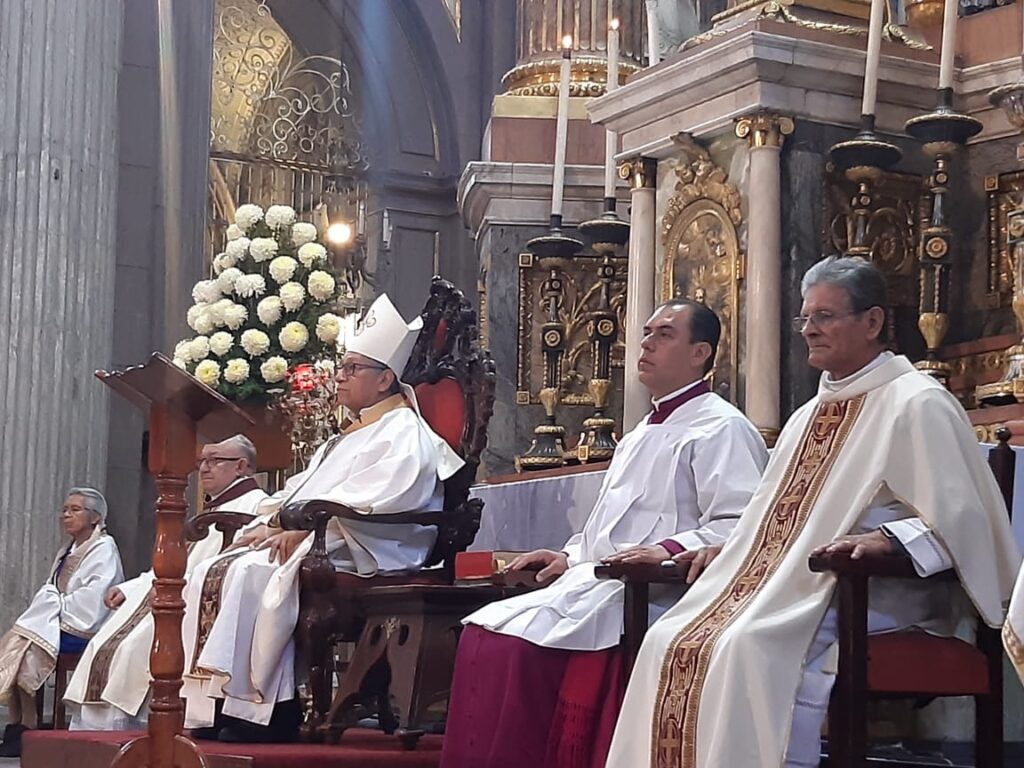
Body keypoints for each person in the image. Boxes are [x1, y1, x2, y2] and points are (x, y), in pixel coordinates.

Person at [606, 255, 1022, 768]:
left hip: (879, 589)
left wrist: (891, 540)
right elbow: (775, 517)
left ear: (872, 322)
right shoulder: (807, 416)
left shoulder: (917, 403)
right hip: (797, 583)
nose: (809, 330)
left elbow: (965, 521)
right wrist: (733, 547)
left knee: (745, 645)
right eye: (805, 318)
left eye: (824, 317)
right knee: (669, 637)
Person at [440, 300, 768, 768]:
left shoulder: (722, 428)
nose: (647, 343)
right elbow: (607, 525)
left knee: (514, 648)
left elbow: (740, 527)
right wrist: (567, 557)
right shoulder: (638, 434)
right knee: (483, 633)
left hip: (659, 590)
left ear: (700, 352)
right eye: (647, 332)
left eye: (664, 335)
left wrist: (663, 551)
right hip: (599, 582)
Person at [182, 293, 463, 743]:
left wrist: (307, 531)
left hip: (371, 543)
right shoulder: (352, 433)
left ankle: (271, 711)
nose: (342, 378)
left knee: (256, 573)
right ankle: (217, 704)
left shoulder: (402, 431)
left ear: (385, 378)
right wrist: (269, 523)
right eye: (343, 367)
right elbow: (300, 491)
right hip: (328, 534)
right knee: (214, 568)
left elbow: (383, 497)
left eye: (353, 369)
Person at [65, 435, 268, 730]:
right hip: (173, 593)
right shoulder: (212, 510)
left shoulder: (256, 508)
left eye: (214, 461)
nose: (204, 468)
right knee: (103, 642)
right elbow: (174, 562)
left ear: (241, 466)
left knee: (134, 647)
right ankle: (97, 733)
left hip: (198, 605)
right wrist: (128, 587)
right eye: (201, 462)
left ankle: (127, 731)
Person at [0, 488, 123, 756]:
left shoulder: (103, 548)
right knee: (17, 641)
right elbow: (52, 588)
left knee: (28, 646)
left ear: (95, 518)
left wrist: (53, 603)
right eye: (65, 509)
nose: (66, 515)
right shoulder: (67, 550)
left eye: (75, 510)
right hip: (60, 619)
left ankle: (28, 725)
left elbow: (94, 599)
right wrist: (51, 602)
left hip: (86, 627)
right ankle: (16, 723)